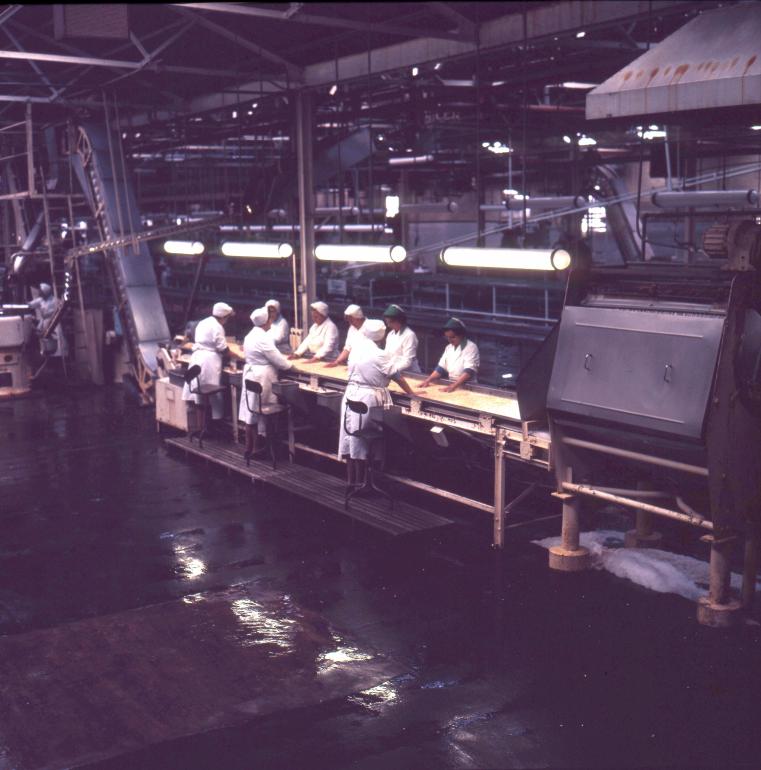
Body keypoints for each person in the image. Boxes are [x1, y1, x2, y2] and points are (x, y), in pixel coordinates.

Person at [337, 319, 417, 487]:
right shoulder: (380, 354)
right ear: (381, 337)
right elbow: (397, 376)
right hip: (368, 399)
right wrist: (412, 394)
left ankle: (353, 481)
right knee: (364, 442)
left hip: (351, 395)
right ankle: (366, 484)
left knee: (351, 439)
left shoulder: (356, 350)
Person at [239, 306, 293, 461]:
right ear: (266, 321)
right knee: (262, 413)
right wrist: (291, 366)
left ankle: (249, 448)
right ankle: (260, 448)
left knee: (251, 413)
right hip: (262, 377)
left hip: (251, 375)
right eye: (270, 318)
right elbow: (278, 360)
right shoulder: (263, 338)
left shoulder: (250, 335)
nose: (271, 321)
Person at [182, 301, 242, 421]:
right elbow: (223, 349)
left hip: (197, 358)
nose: (228, 321)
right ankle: (215, 423)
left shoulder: (203, 322)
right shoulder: (218, 327)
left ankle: (201, 426)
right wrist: (238, 356)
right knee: (212, 394)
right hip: (208, 362)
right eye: (228, 318)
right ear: (224, 317)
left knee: (199, 396)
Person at [418, 317, 479, 393]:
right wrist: (428, 380)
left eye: (453, 337)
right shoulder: (449, 348)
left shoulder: (471, 347)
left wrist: (453, 386)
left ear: (461, 335)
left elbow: (469, 371)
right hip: (452, 383)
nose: (450, 340)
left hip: (468, 386)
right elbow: (440, 368)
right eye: (447, 337)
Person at [29, 283, 67, 358]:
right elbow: (30, 305)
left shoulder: (55, 300)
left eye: (41, 291)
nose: (40, 292)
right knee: (44, 337)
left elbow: (62, 309)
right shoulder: (40, 300)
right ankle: (46, 353)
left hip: (54, 320)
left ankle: (60, 353)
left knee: (57, 335)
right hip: (44, 322)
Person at [382, 303, 420, 373]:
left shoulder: (409, 335)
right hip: (393, 372)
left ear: (399, 321)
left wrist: (390, 370)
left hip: (410, 373)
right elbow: (386, 354)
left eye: (390, 322)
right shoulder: (390, 334)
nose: (388, 325)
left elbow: (407, 361)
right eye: (387, 322)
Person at [325, 304, 365, 368]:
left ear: (358, 318)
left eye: (351, 320)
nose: (350, 323)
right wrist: (337, 362)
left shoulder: (371, 327)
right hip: (353, 364)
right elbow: (348, 347)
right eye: (348, 321)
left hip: (365, 365)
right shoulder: (352, 328)